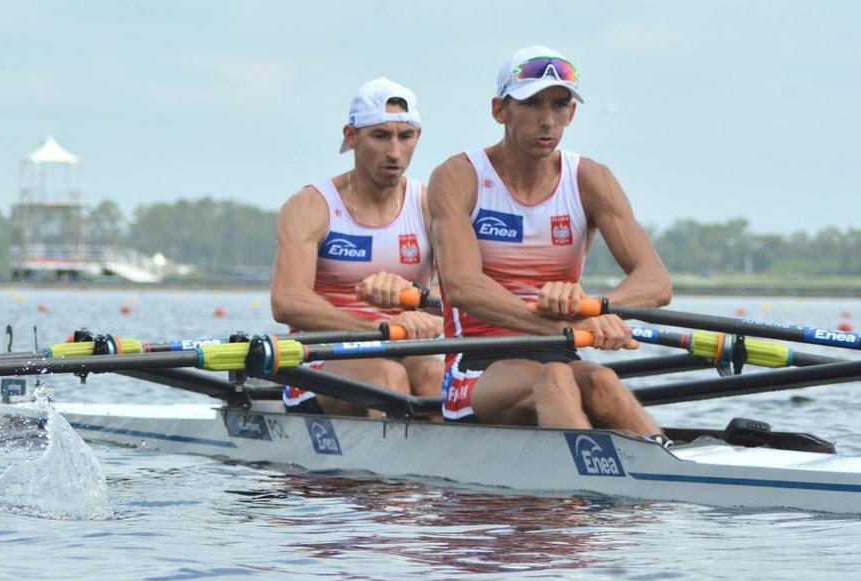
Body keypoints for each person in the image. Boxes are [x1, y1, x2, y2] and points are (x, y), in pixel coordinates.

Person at [427, 46, 672, 436]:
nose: (547, 120)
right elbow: (461, 287)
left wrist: (602, 308)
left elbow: (656, 282)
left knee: (601, 381)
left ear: (571, 114)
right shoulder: (460, 176)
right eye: (531, 104)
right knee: (555, 378)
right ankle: (581, 489)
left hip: (560, 349)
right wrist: (568, 321)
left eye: (560, 105)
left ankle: (664, 479)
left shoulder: (590, 178)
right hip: (476, 364)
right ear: (499, 110)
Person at [271, 77, 443, 416]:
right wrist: (377, 330)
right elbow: (287, 301)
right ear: (351, 137)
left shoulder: (429, 205)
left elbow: (456, 291)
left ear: (417, 137)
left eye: (405, 136)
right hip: (321, 360)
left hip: (406, 349)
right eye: (380, 136)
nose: (394, 152)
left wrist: (428, 316)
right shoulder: (311, 205)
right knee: (386, 375)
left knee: (437, 377)